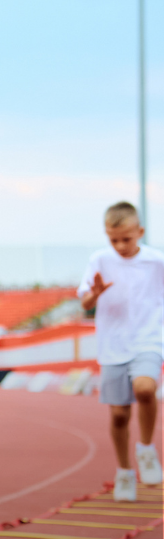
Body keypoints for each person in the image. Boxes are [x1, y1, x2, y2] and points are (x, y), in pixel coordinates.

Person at [77, 201, 164, 502]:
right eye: (113, 239)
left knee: (145, 388)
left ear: (140, 231)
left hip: (148, 339)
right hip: (113, 346)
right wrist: (95, 293)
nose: (120, 246)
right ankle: (124, 471)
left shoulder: (157, 261)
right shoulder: (99, 260)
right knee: (118, 415)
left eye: (126, 239)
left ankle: (146, 449)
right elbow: (85, 303)